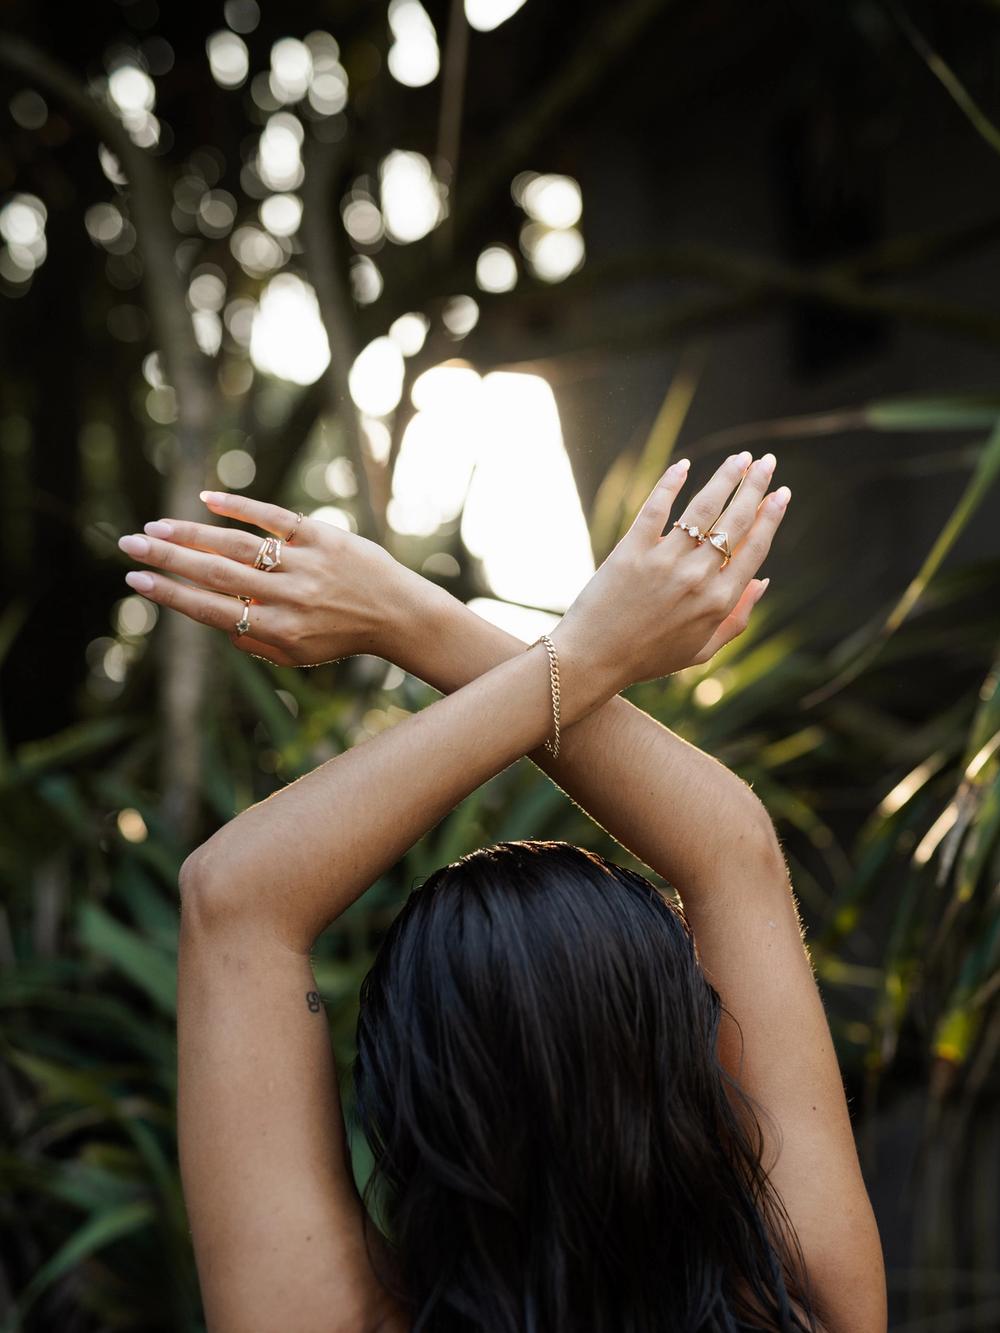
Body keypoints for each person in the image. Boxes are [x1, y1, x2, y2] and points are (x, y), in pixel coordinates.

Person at [117, 450, 887, 1332]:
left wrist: (575, 648)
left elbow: (235, 895)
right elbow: (730, 846)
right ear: (691, 1066)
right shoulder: (812, 1303)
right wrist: (429, 622)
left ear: (400, 1107)